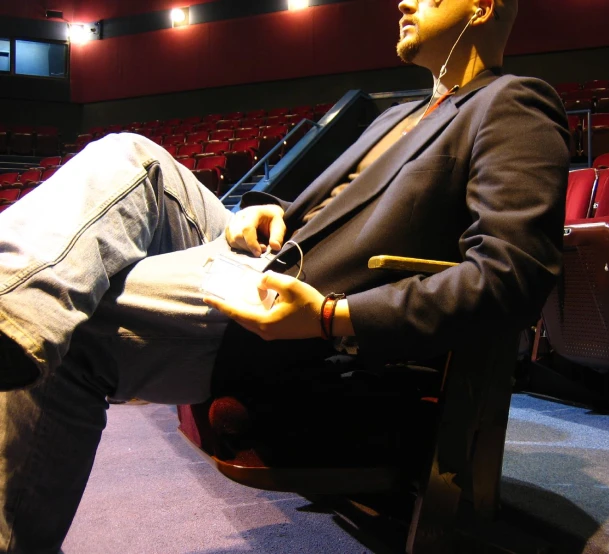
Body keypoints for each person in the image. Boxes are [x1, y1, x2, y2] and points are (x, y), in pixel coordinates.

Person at [0, 0, 569, 551]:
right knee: (129, 156)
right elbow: (332, 216)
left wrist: (330, 318)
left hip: (295, 302)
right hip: (268, 255)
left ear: (482, 7)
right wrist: (270, 212)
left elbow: (512, 275)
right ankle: (11, 306)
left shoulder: (512, 103)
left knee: (74, 322)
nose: (403, 2)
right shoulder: (396, 115)